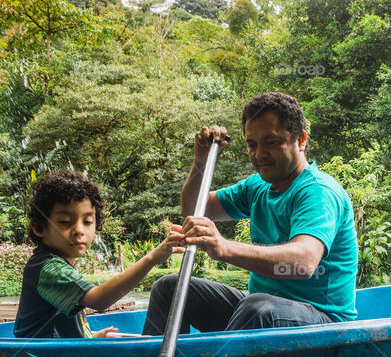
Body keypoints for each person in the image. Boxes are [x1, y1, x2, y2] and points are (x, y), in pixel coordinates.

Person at [142, 92, 358, 335]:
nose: (259, 154)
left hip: (322, 322)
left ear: (301, 140)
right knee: (170, 289)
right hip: (261, 313)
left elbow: (304, 263)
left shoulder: (318, 191)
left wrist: (223, 247)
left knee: (258, 308)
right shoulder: (257, 186)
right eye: (252, 145)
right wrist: (201, 161)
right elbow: (195, 208)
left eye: (271, 142)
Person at [15, 169, 183, 338]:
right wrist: (153, 257)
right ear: (38, 227)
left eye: (87, 221)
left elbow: (62, 332)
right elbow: (99, 300)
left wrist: (93, 338)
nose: (79, 230)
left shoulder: (57, 264)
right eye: (65, 222)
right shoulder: (49, 268)